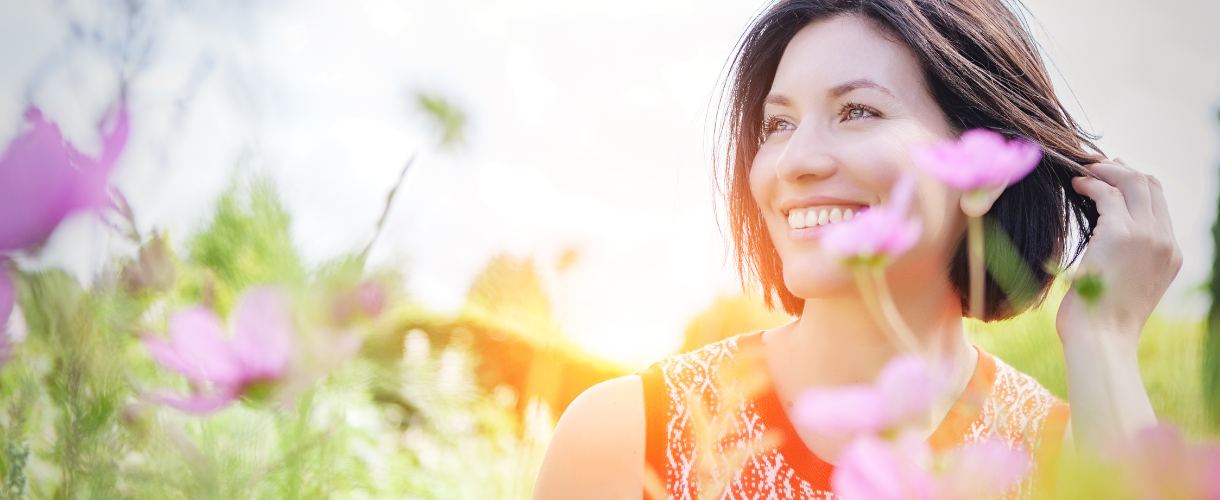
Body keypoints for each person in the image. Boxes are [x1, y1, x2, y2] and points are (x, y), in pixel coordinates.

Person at [533, 0, 1181, 497]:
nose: (796, 161)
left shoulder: (1065, 454)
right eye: (778, 124)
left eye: (858, 112)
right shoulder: (627, 432)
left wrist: (1104, 338)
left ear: (979, 164)